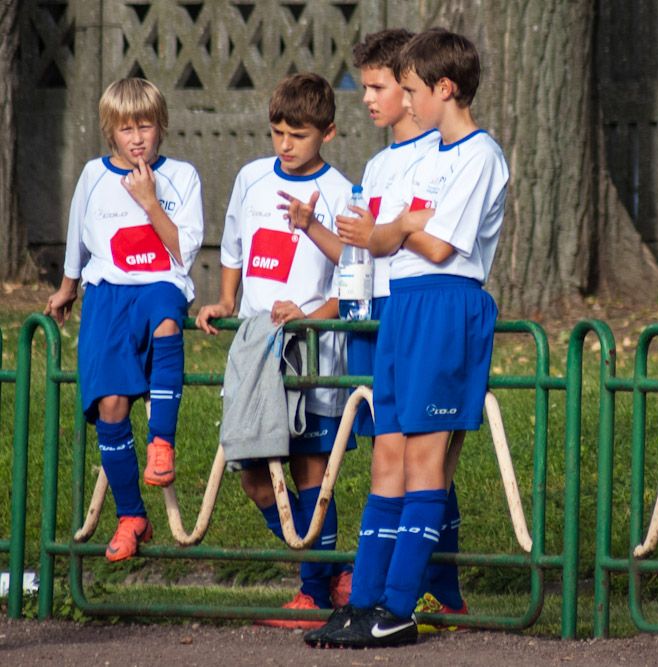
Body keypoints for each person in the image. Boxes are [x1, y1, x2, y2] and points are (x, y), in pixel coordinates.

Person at [302, 28, 509, 648]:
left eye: (411, 89)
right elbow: (385, 238)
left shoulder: (480, 155)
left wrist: (396, 229)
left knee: (424, 461)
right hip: (405, 307)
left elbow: (439, 246)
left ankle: (397, 607)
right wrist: (399, 226)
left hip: (446, 307)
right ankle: (363, 602)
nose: (406, 100)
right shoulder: (432, 157)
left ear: (444, 89)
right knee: (387, 458)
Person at [194, 72, 356, 629]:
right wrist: (226, 300)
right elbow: (234, 244)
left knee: (312, 472)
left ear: (328, 133)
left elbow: (353, 282)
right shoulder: (251, 178)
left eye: (298, 135)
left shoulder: (341, 194)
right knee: (253, 474)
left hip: (313, 353)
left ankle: (311, 595)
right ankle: (332, 574)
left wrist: (309, 318)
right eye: (277, 132)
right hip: (257, 350)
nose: (285, 144)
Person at [44, 78, 204, 562]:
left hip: (159, 284)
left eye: (145, 127)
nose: (137, 138)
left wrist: (149, 201)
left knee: (166, 321)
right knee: (110, 404)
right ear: (109, 131)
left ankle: (162, 442)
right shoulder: (93, 175)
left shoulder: (182, 176)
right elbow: (78, 236)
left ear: (162, 127)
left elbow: (184, 251)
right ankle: (132, 515)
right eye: (126, 129)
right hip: (108, 292)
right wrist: (68, 287)